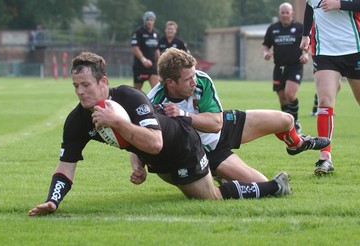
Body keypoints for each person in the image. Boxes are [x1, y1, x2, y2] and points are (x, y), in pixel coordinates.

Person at [28, 51, 293, 216]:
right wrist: (53, 201)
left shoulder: (131, 97)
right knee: (198, 189)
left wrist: (117, 122)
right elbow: (65, 166)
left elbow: (154, 142)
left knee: (211, 197)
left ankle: (275, 186)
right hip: (160, 163)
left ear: (103, 82)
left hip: (183, 145)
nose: (80, 91)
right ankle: (226, 179)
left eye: (86, 84)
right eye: (76, 86)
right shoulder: (76, 121)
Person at [148, 48, 330, 183]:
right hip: (206, 152)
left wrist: (182, 114)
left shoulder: (202, 81)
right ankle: (218, 173)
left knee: (286, 120)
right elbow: (140, 136)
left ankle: (297, 144)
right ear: (170, 82)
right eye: (188, 79)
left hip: (221, 127)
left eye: (194, 76)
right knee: (262, 184)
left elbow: (216, 123)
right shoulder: (154, 102)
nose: (194, 82)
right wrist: (137, 167)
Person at [300, 0, 360, 175]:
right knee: (325, 100)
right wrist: (305, 35)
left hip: (354, 49)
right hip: (324, 51)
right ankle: (325, 157)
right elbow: (310, 7)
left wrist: (340, 4)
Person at [262, 2, 309, 133]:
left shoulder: (300, 28)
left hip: (295, 66)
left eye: (287, 12)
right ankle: (286, 125)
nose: (285, 15)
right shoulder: (273, 28)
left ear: (292, 13)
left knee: (290, 94)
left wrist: (306, 55)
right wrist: (266, 53)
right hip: (279, 67)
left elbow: (308, 45)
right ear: (279, 14)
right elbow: (265, 45)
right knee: (282, 97)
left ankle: (296, 122)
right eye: (282, 12)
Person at [130, 11, 160, 90]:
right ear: (144, 21)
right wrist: (143, 60)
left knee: (156, 90)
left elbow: (156, 49)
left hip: (152, 66)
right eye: (147, 20)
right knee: (137, 91)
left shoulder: (156, 33)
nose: (149, 22)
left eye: (151, 20)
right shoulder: (138, 32)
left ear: (154, 21)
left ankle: (155, 103)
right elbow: (135, 47)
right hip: (140, 66)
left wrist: (160, 62)